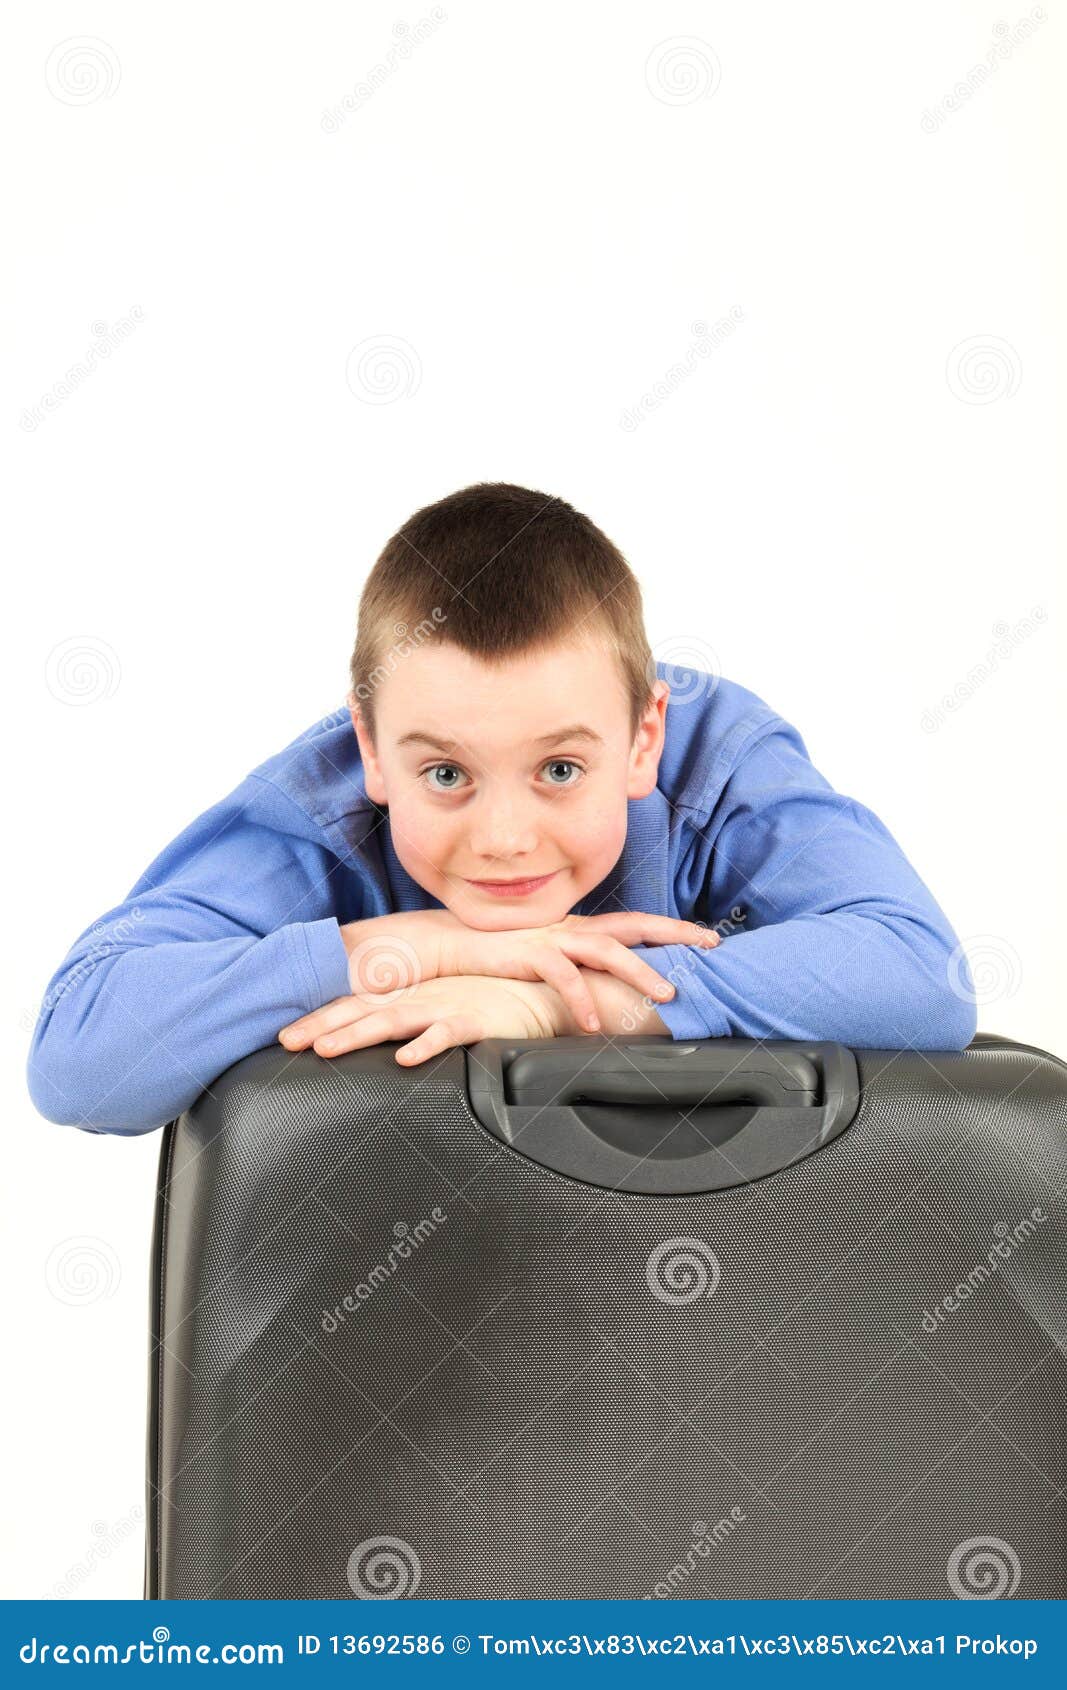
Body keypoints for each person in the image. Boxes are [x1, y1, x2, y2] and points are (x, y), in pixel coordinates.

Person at [26, 482, 976, 1136]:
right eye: (446, 776)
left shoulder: (715, 758)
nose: (505, 839)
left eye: (560, 770)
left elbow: (922, 971)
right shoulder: (319, 809)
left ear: (644, 738)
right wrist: (425, 946)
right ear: (369, 749)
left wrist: (563, 1004)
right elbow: (78, 1058)